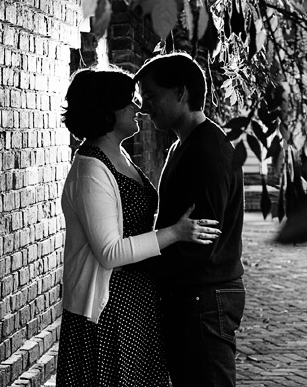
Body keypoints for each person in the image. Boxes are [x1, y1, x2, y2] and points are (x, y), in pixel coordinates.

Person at [57, 67, 221, 387]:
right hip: (106, 313)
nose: (138, 107)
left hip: (137, 302)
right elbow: (110, 253)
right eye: (129, 100)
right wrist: (175, 233)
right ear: (106, 110)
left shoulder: (119, 157)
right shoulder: (92, 168)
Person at [134, 52, 245, 387]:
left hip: (205, 300)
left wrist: (140, 265)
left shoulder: (206, 151)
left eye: (151, 96)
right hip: (192, 298)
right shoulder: (184, 145)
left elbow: (201, 243)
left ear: (181, 93)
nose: (144, 107)